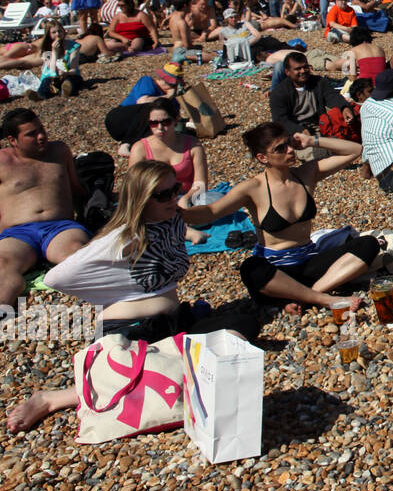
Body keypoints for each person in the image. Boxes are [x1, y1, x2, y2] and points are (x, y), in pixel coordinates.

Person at [7, 161, 261, 433]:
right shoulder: (123, 237)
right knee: (142, 376)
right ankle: (53, 398)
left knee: (242, 329)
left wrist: (191, 231)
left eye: (174, 190)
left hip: (173, 323)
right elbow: (57, 277)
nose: (172, 198)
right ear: (141, 199)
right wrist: (119, 290)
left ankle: (152, 369)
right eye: (162, 195)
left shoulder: (174, 221)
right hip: (130, 332)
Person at [181, 123, 376, 314]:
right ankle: (324, 299)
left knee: (368, 244)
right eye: (280, 148)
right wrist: (178, 212)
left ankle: (308, 296)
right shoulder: (252, 188)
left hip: (309, 262)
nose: (290, 150)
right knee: (251, 268)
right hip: (277, 273)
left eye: (290, 143)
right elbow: (211, 212)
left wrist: (312, 140)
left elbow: (355, 150)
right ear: (262, 157)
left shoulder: (306, 174)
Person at [0, 109, 88, 310]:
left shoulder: (59, 152)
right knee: (3, 265)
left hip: (61, 227)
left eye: (41, 129)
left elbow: (76, 189)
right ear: (13, 140)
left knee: (78, 255)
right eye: (31, 134)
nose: (41, 136)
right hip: (17, 233)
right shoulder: (2, 162)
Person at [128, 98, 210, 243]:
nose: (160, 128)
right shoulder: (140, 148)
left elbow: (201, 183)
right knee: (140, 210)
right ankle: (184, 230)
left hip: (188, 196)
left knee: (214, 204)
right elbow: (134, 187)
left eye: (165, 122)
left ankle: (171, 226)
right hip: (156, 199)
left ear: (176, 120)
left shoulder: (192, 145)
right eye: (153, 123)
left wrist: (186, 198)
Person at [269, 51, 349, 134]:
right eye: (298, 69)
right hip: (294, 132)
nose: (303, 71)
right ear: (287, 72)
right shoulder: (279, 93)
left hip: (319, 125)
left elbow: (332, 96)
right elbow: (280, 119)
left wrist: (344, 107)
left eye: (305, 67)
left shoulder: (319, 82)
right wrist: (299, 130)